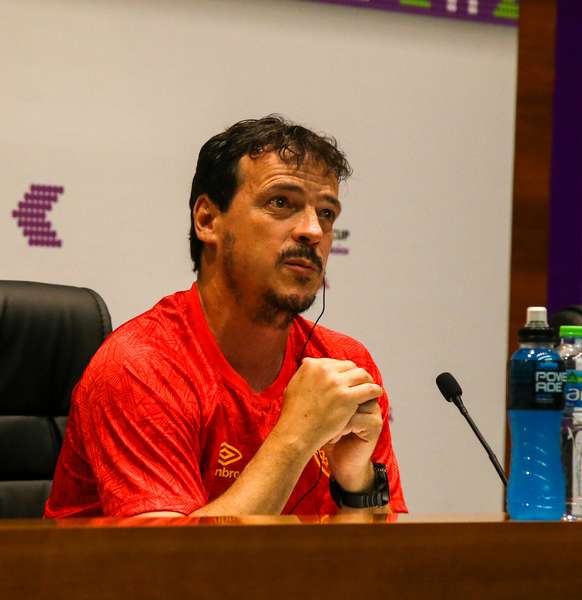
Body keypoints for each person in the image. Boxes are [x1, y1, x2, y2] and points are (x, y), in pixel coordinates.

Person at [45, 116, 407, 517]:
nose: (313, 231)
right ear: (207, 220)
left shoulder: (344, 364)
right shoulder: (141, 365)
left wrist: (355, 485)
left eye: (325, 213)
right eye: (281, 203)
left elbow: (378, 572)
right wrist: (297, 436)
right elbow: (170, 571)